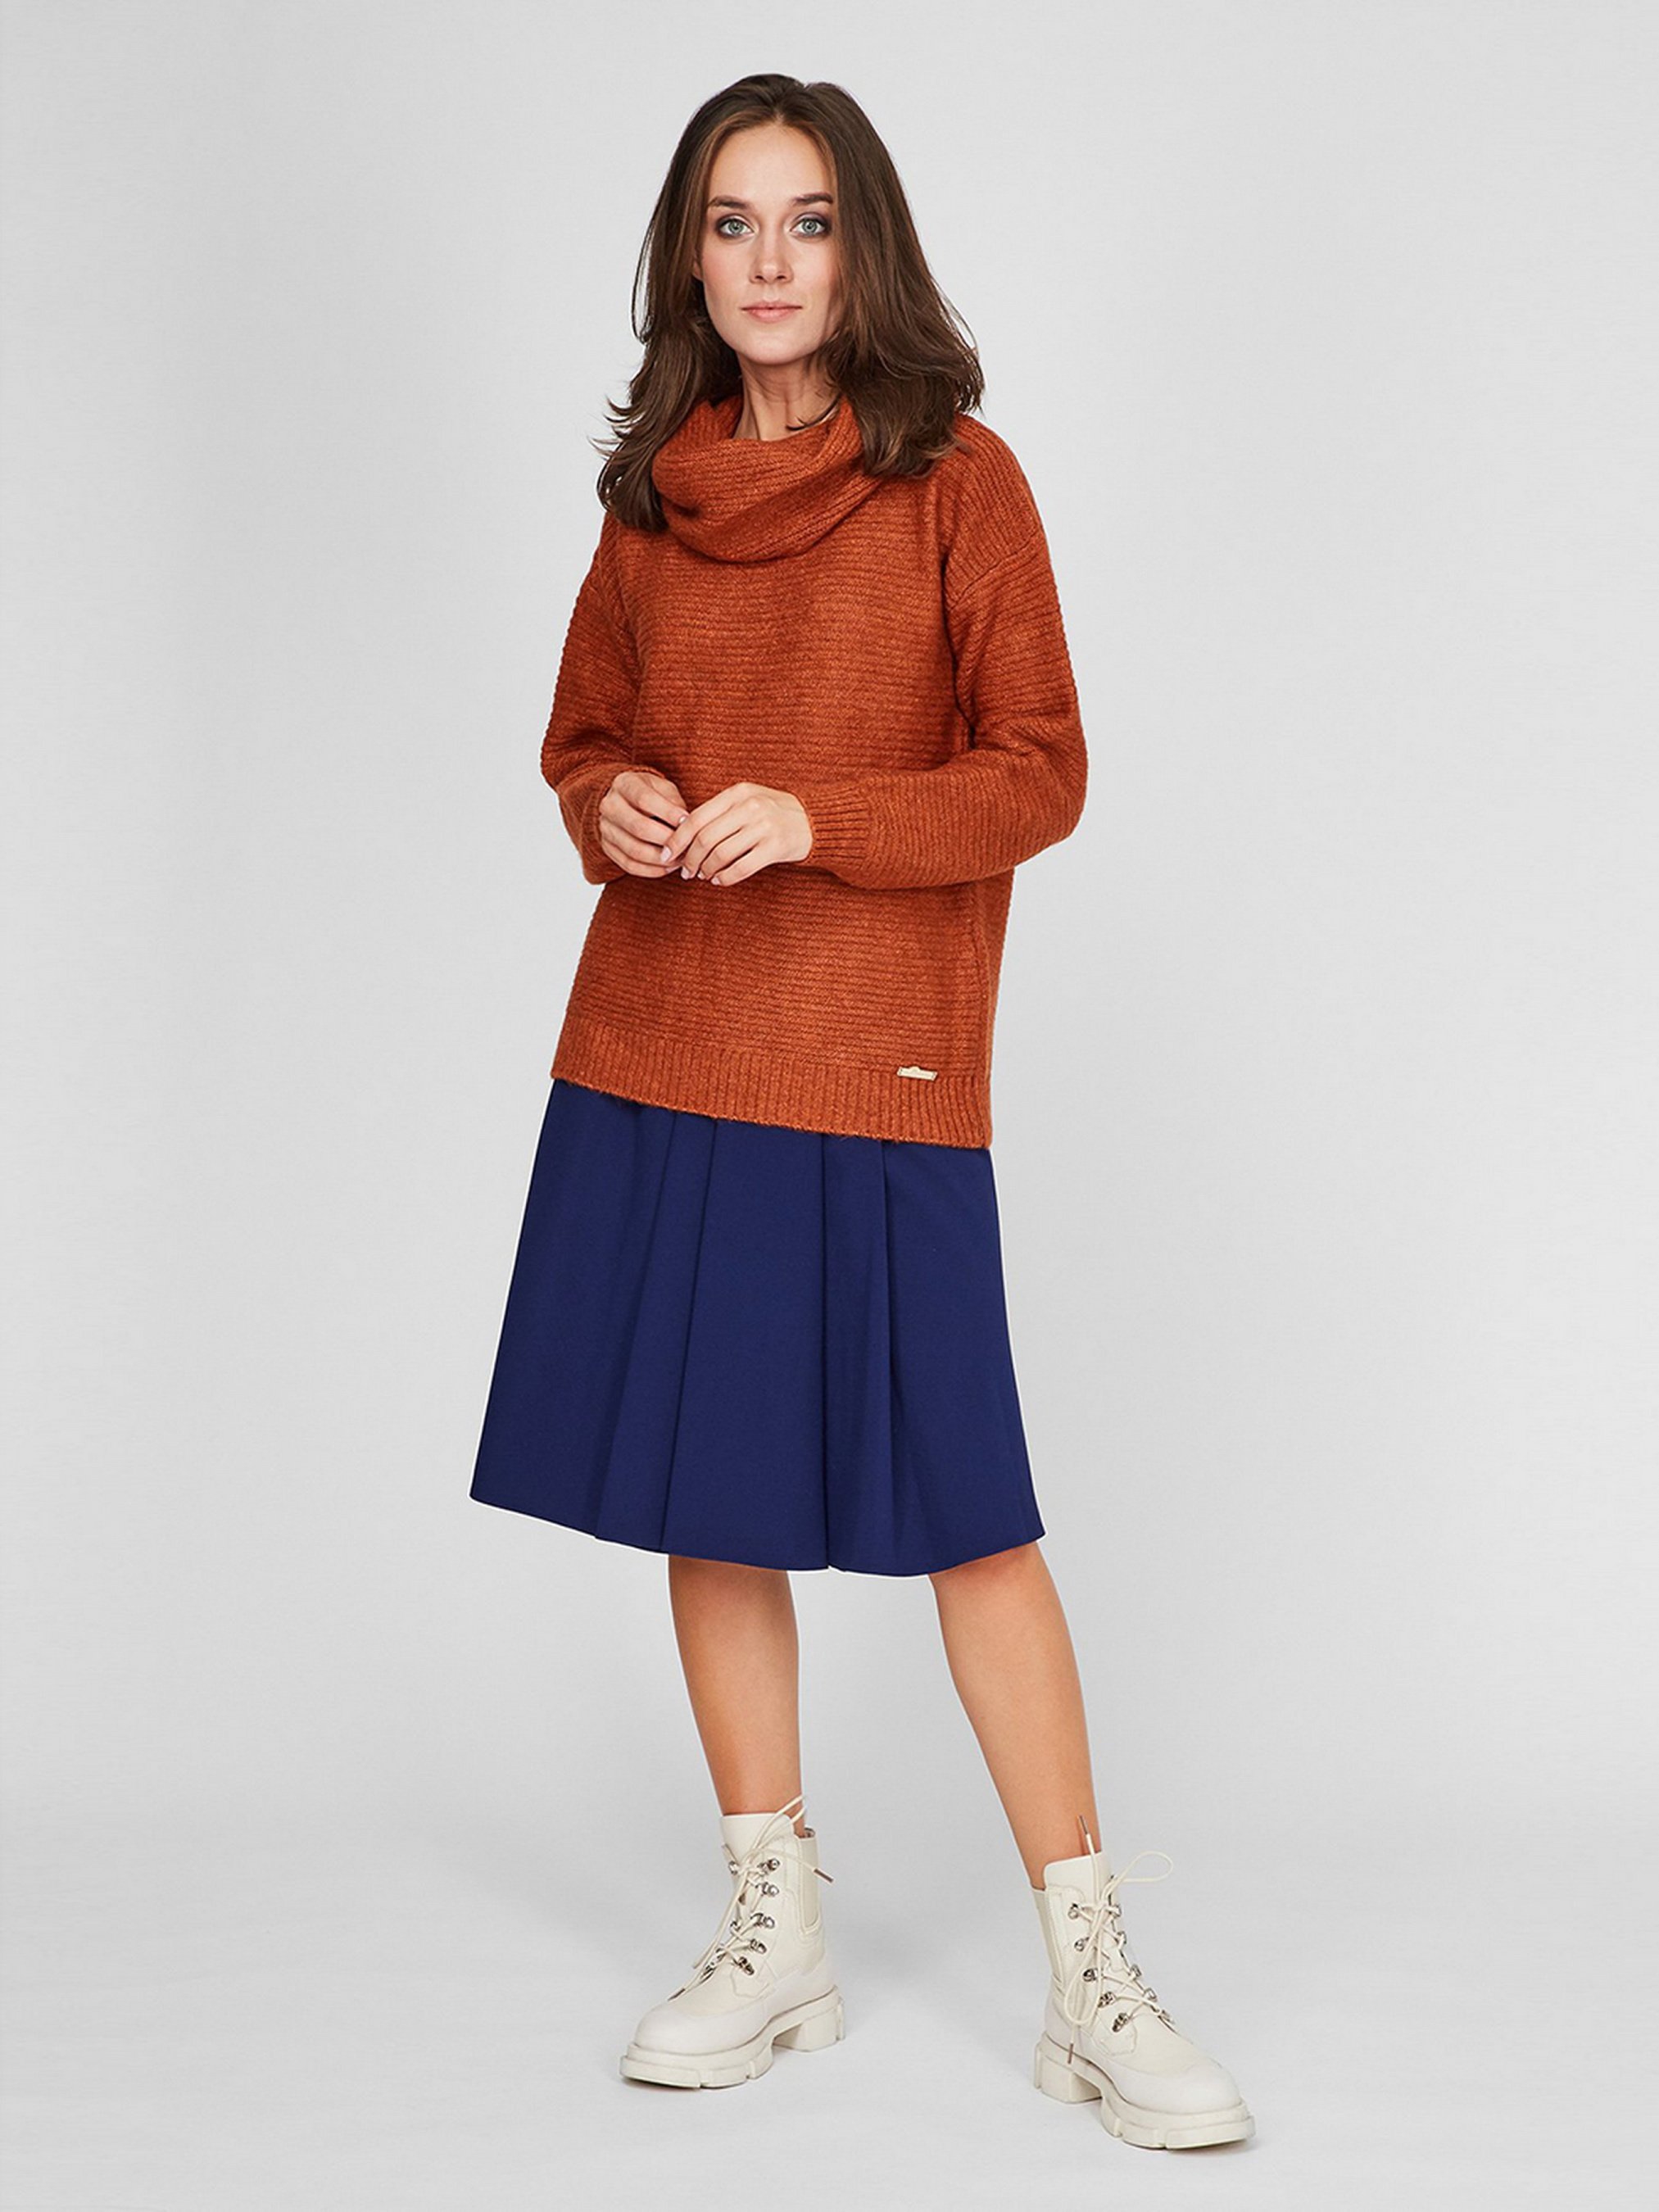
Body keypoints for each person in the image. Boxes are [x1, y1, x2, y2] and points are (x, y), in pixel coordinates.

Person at [469, 72, 1253, 2151]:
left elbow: (1038, 772)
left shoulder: (955, 484)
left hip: (879, 1060)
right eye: (730, 223)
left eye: (805, 221)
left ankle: (1090, 1972)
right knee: (706, 1497)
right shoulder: (653, 497)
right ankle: (774, 1929)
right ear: (687, 255)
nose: (767, 262)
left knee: (965, 1517)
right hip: (658, 1041)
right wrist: (610, 803)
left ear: (861, 246)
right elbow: (581, 733)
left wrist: (815, 815)